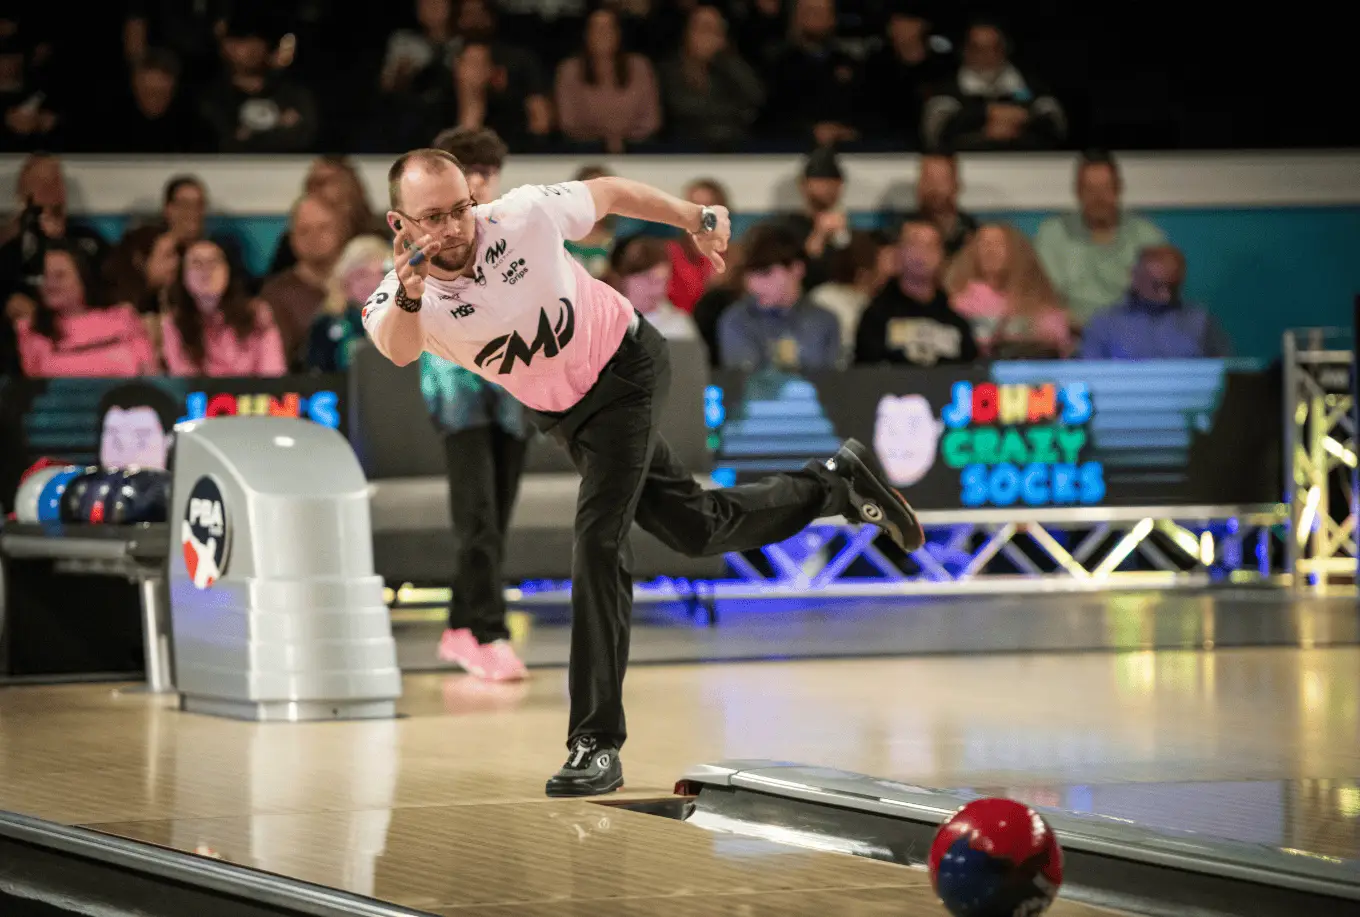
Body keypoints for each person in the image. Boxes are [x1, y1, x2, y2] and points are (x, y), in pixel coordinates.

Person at [361, 148, 926, 797]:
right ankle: (836, 482)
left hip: (626, 368)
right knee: (697, 529)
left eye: (459, 208)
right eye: (432, 217)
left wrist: (692, 215)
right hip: (569, 418)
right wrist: (409, 290)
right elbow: (399, 348)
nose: (455, 227)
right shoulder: (401, 295)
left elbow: (605, 194)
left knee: (598, 540)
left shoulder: (521, 216)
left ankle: (595, 742)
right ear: (400, 225)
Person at [425, 125, 531, 682]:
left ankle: (459, 626)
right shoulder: (435, 233)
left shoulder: (512, 228)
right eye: (473, 173)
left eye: (490, 172)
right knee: (479, 518)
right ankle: (488, 630)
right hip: (458, 385)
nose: (485, 183)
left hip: (516, 386)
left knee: (498, 517)